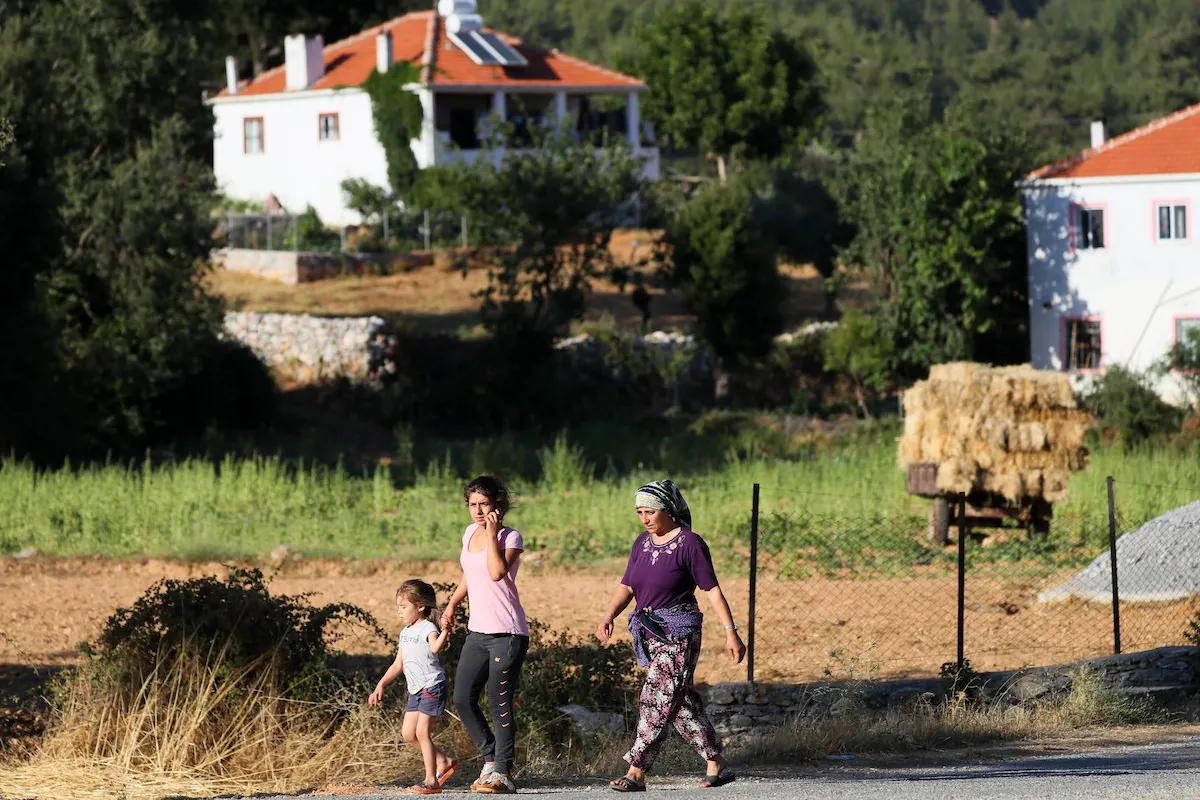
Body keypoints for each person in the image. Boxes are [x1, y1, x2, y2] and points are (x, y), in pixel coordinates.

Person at [596, 479, 746, 793]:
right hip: (650, 632)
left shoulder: (690, 544)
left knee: (656, 697)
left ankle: (636, 770)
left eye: (650, 511)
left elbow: (713, 591)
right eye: (639, 512)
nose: (645, 518)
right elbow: (627, 586)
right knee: (678, 703)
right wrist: (609, 615)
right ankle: (715, 760)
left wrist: (731, 633)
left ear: (669, 510)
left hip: (679, 632)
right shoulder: (641, 543)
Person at [440, 475, 529, 795]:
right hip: (477, 632)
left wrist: (492, 534)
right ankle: (490, 758)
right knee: (463, 698)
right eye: (472, 505)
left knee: (499, 703)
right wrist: (451, 604)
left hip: (507, 632)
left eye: (484, 504)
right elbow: (471, 573)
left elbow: (495, 572)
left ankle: (503, 772)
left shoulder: (510, 537)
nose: (477, 511)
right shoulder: (468, 534)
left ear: (498, 505)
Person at [369, 579, 459, 795]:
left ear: (420, 606)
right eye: (398, 607)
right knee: (409, 734)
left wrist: (446, 631)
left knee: (422, 732)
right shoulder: (405, 632)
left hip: (432, 686)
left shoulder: (428, 627)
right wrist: (381, 684)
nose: (399, 611)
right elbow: (398, 664)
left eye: (403, 607)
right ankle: (443, 761)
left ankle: (431, 780)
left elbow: (435, 648)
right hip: (416, 689)